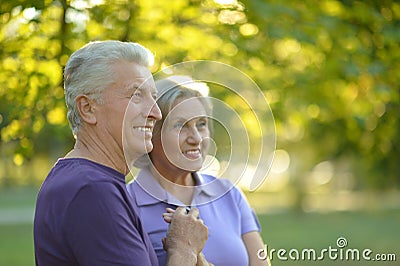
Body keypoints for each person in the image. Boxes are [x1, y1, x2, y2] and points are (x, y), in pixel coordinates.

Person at [33, 41, 209, 266]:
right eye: (136, 95)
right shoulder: (92, 190)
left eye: (153, 97)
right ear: (87, 108)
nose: (155, 113)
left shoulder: (88, 180)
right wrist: (184, 249)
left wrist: (196, 256)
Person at [127, 77, 270, 266]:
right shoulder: (127, 203)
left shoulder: (228, 193)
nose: (196, 138)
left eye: (201, 124)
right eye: (180, 126)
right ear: (151, 133)